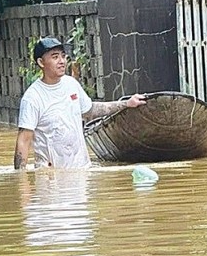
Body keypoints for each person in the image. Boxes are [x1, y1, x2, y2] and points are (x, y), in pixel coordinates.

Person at [14, 36, 147, 170]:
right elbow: (24, 141)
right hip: (50, 178)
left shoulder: (71, 84)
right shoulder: (32, 98)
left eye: (63, 56)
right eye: (55, 57)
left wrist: (126, 104)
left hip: (81, 171)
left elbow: (90, 111)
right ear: (41, 62)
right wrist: (21, 181)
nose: (62, 61)